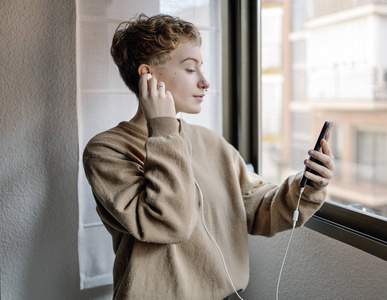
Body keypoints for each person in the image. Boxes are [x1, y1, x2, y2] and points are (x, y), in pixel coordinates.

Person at [83, 13, 334, 300]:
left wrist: (310, 184)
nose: (205, 82)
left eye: (201, 69)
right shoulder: (107, 151)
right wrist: (164, 130)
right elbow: (170, 224)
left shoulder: (212, 143)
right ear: (147, 76)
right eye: (191, 70)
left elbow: (261, 210)